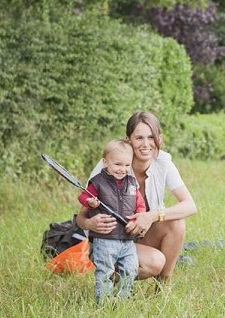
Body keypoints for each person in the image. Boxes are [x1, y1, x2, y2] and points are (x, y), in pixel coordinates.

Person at [77, 111, 197, 287]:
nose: (146, 144)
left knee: (176, 222)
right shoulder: (110, 165)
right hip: (110, 241)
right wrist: (89, 224)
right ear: (128, 140)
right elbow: (81, 218)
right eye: (139, 137)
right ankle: (113, 279)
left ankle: (163, 287)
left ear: (159, 139)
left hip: (139, 235)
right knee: (155, 262)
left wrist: (152, 215)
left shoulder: (163, 162)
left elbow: (190, 205)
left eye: (151, 137)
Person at [79, 139, 146, 304]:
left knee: (131, 268)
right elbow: (83, 196)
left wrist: (139, 217)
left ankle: (123, 299)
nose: (122, 169)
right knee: (105, 271)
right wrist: (90, 202)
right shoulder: (97, 182)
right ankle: (103, 302)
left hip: (127, 239)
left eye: (126, 165)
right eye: (117, 164)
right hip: (105, 239)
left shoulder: (131, 183)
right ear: (105, 162)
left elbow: (140, 204)